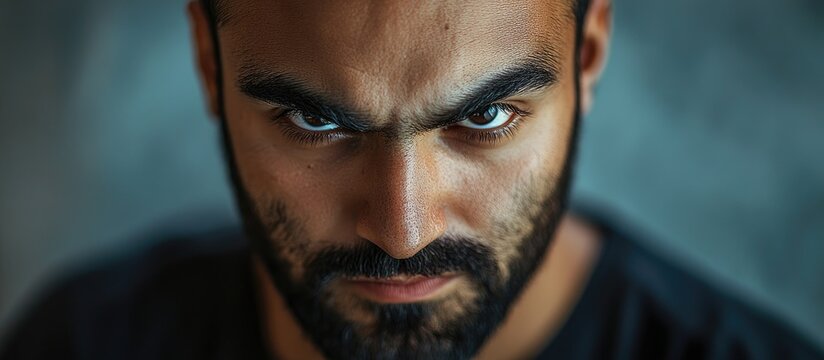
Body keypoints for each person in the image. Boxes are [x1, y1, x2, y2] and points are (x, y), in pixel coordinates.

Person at [1, 0, 822, 359]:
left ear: (588, 56)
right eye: (318, 122)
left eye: (487, 118)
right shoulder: (82, 343)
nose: (403, 229)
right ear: (209, 64)